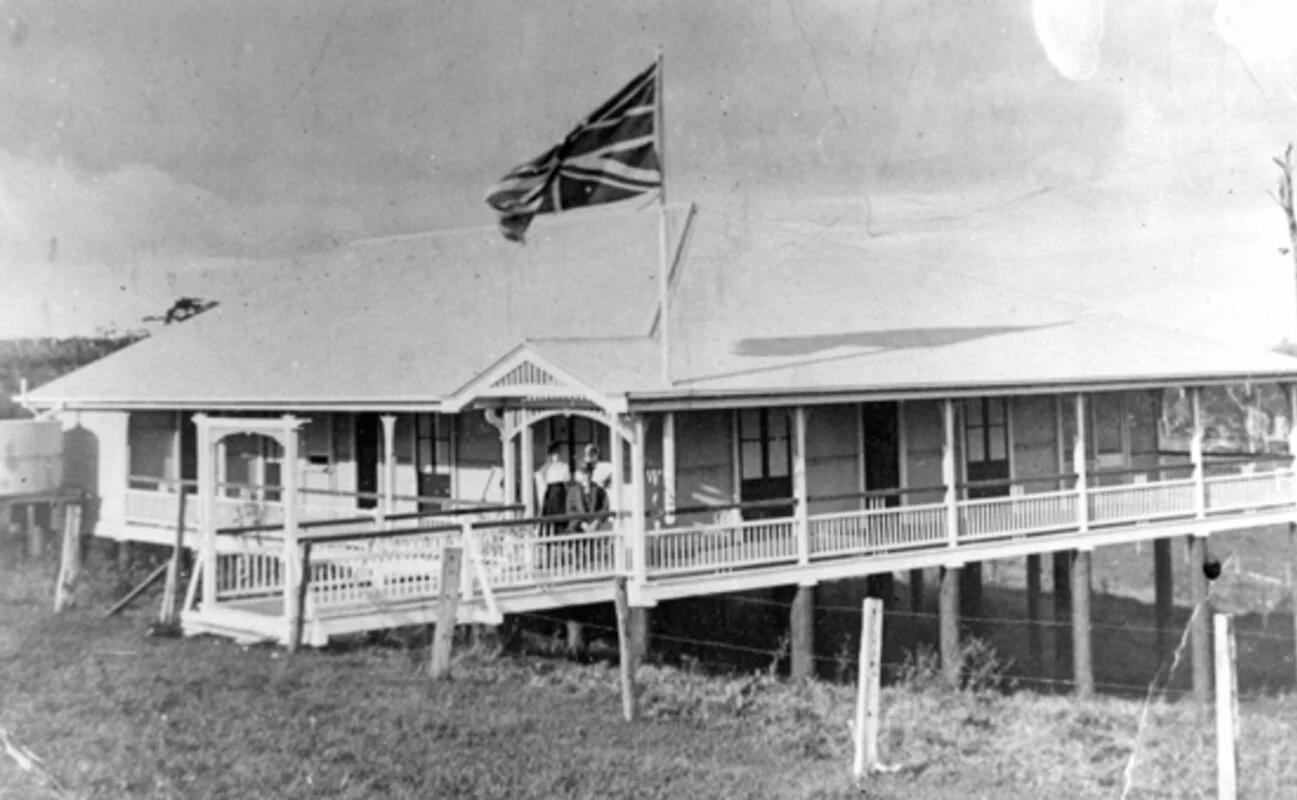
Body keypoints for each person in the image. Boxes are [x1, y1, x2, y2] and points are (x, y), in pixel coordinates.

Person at [565, 463, 610, 533]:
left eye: (589, 473)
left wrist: (596, 522)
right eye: (584, 473)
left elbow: (605, 508)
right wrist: (582, 524)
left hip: (596, 528)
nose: (587, 476)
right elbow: (570, 511)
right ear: (581, 474)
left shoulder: (599, 490)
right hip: (578, 528)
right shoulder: (573, 491)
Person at [536, 443, 569, 536]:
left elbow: (566, 479)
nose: (556, 456)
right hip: (551, 493)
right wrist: (548, 464)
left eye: (558, 453)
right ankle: (548, 537)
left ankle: (561, 534)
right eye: (554, 453)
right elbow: (540, 477)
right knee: (549, 516)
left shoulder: (564, 466)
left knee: (561, 515)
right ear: (551, 455)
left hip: (561, 492)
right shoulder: (547, 467)